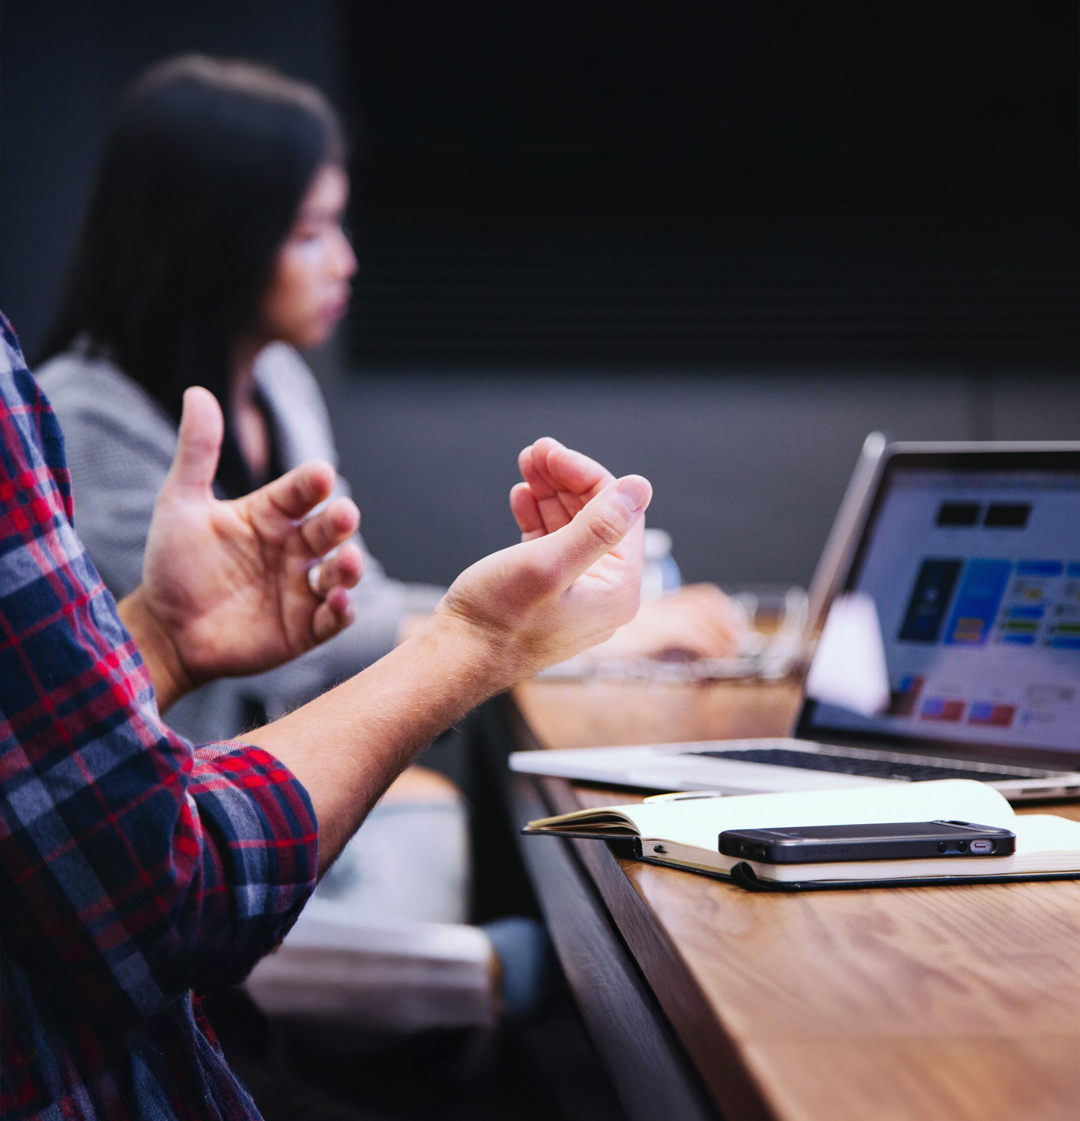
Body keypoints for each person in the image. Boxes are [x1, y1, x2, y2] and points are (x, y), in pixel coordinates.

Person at [0, 306, 652, 1118]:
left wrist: (159, 644)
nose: (343, 258)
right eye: (312, 228)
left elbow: (39, 764)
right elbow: (146, 885)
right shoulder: (78, 404)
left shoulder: (280, 381)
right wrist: (480, 642)